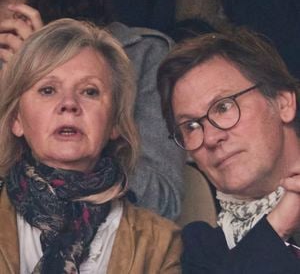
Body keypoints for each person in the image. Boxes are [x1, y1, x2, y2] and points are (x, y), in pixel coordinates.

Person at [0, 18, 182, 273]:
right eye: (48, 90)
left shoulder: (161, 244)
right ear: (16, 120)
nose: (69, 104)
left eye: (89, 92)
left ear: (115, 123)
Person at [0, 0, 185, 220]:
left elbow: (163, 203)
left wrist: (51, 70)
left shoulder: (141, 52)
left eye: (89, 91)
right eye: (48, 90)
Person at [157, 27, 300, 273]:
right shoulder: (202, 251)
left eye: (223, 107)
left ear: (283, 103)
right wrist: (278, 224)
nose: (211, 138)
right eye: (191, 126)